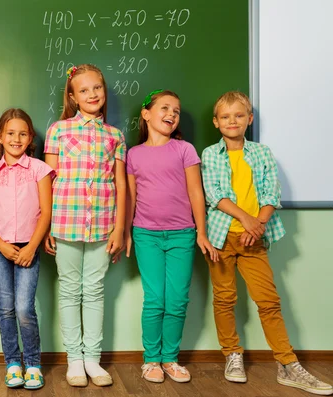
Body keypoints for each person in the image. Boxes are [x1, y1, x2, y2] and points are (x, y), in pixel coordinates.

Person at [202, 91, 333, 395]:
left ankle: (287, 363)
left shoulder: (262, 152)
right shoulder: (209, 154)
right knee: (224, 299)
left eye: (238, 115)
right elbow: (215, 194)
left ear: (249, 119)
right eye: (225, 116)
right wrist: (246, 219)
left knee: (268, 301)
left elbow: (271, 193)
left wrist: (257, 224)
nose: (232, 121)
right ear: (216, 122)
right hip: (222, 237)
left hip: (254, 238)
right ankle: (232, 354)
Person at [125, 89, 218, 384]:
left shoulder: (185, 150)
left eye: (176, 111)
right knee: (155, 299)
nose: (171, 115)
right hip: (146, 235)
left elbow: (195, 192)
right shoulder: (133, 154)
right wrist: (127, 233)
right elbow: (130, 197)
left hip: (181, 235)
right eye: (165, 108)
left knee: (177, 299)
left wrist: (201, 232)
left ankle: (170, 359)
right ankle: (151, 359)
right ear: (146, 114)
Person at [44, 64, 126, 387]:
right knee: (69, 290)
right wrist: (47, 225)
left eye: (97, 88)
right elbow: (48, 181)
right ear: (73, 96)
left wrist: (119, 228)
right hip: (65, 222)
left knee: (94, 290)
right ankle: (74, 360)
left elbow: (120, 183)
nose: (92, 94)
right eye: (84, 90)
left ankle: (93, 359)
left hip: (103, 224)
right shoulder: (59, 130)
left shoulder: (115, 136)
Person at [0, 108, 53, 389]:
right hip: (0, 249)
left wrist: (32, 247)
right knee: (6, 308)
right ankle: (12, 363)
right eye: (10, 133)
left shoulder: (40, 169)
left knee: (24, 308)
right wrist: (2, 246)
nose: (16, 138)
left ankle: (32, 362)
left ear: (30, 137)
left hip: (29, 248)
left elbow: (46, 212)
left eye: (22, 133)